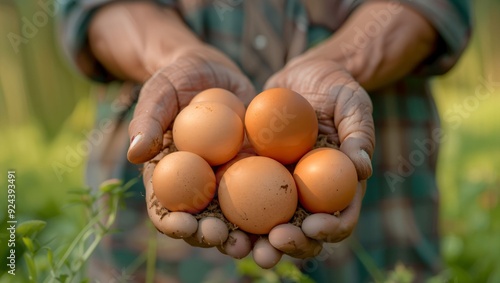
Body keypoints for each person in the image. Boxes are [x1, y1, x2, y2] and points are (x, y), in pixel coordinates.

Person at [58, 0, 471, 282]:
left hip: (382, 192)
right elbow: (93, 9)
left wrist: (341, 62)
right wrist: (174, 59)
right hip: (154, 249)